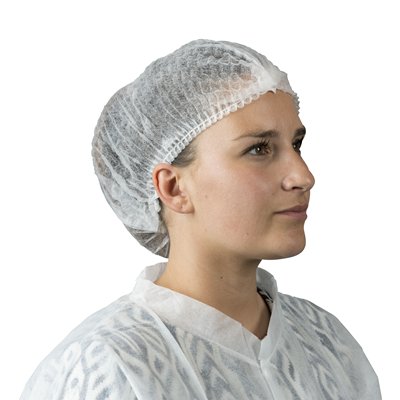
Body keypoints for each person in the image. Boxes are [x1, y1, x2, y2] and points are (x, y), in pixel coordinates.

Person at [20, 39, 381, 399]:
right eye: (259, 149)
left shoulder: (326, 341)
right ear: (173, 187)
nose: (303, 176)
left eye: (296, 145)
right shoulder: (111, 367)